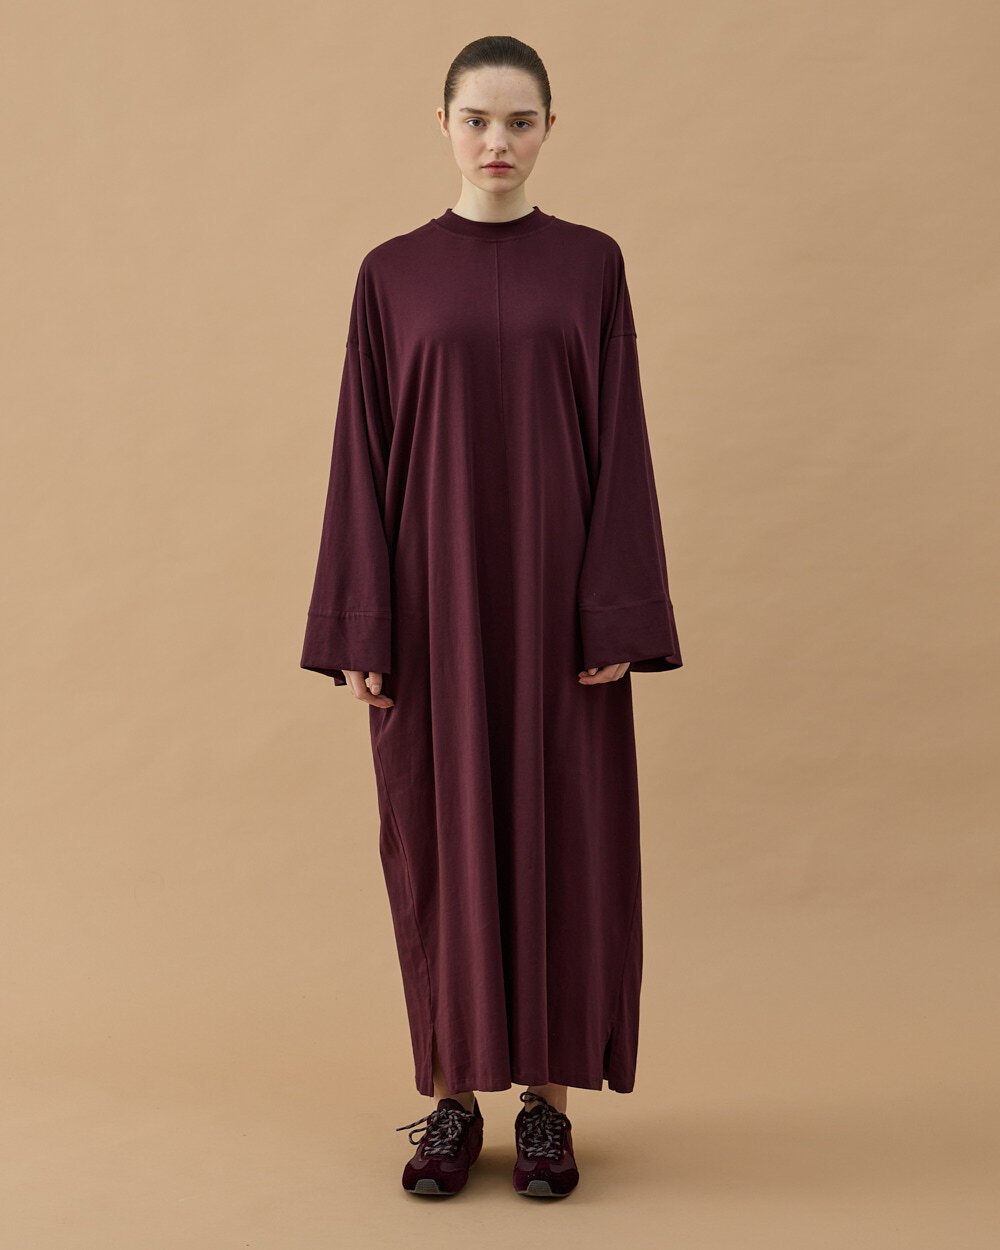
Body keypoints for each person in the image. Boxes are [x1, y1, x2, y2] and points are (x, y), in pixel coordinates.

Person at [300, 35, 683, 1199]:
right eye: (476, 119)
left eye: (519, 121)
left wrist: (614, 612)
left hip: (560, 615)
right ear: (443, 125)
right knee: (441, 843)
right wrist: (362, 626)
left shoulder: (591, 266)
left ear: (550, 128)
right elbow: (361, 451)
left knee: (565, 839)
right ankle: (453, 1101)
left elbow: (619, 439)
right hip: (434, 612)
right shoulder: (391, 275)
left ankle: (547, 1109)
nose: (497, 142)